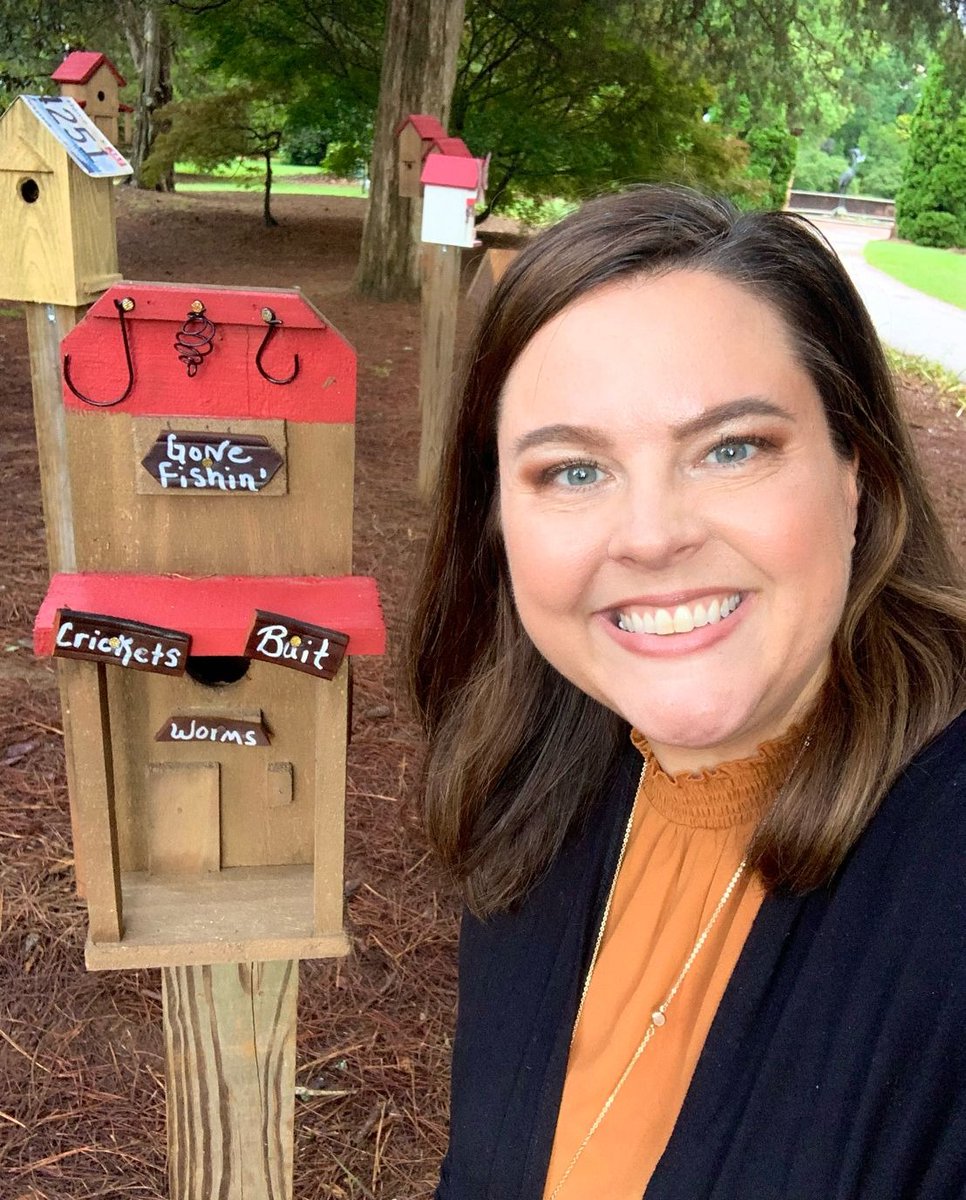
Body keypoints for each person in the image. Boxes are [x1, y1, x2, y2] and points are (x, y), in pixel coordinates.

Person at [407, 186, 966, 1200]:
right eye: (572, 471)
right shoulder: (539, 794)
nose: (653, 535)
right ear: (498, 523)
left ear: (858, 472)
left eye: (731, 448)